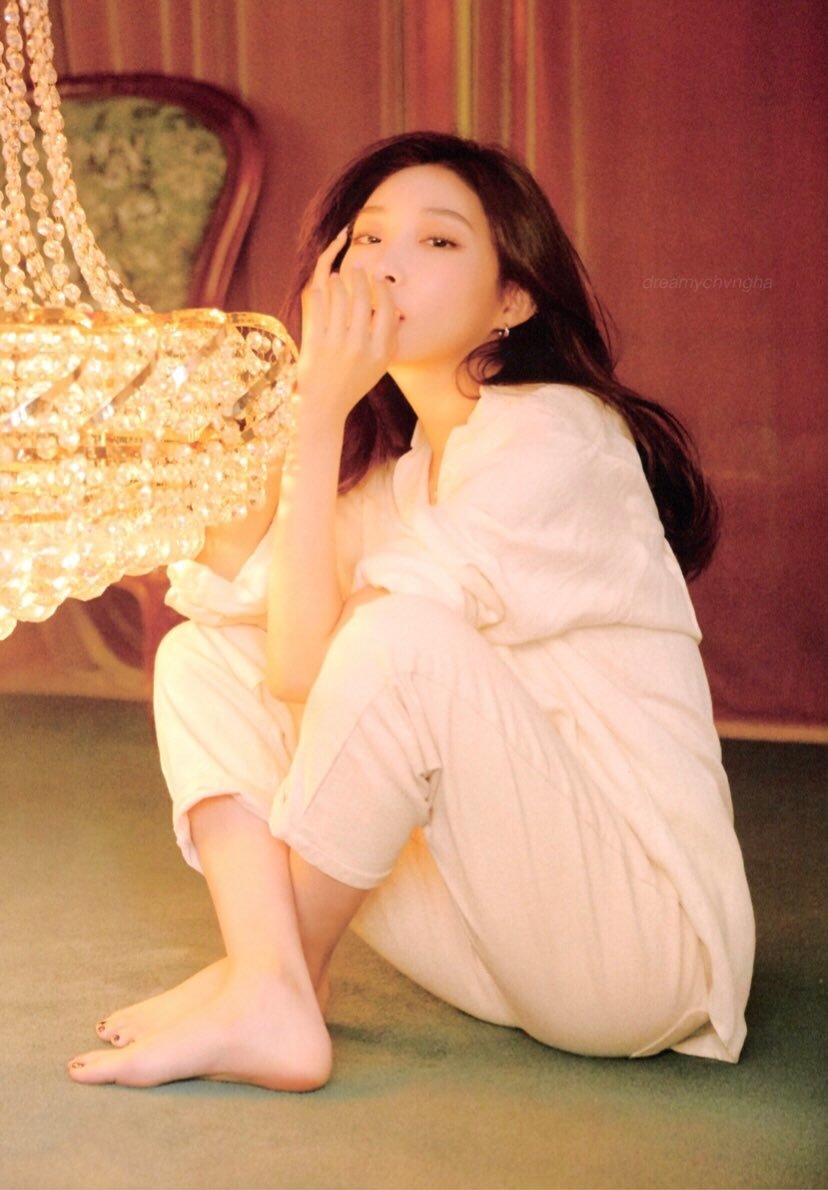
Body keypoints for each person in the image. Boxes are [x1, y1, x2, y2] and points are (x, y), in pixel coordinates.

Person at [67, 132, 754, 1091]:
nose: (387, 265)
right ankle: (276, 980)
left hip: (638, 955)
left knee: (396, 637)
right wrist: (296, 400)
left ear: (512, 301)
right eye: (368, 239)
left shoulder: (557, 435)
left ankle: (265, 991)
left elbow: (311, 670)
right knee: (203, 658)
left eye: (438, 242)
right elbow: (246, 592)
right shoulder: (402, 480)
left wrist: (320, 417)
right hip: (493, 943)